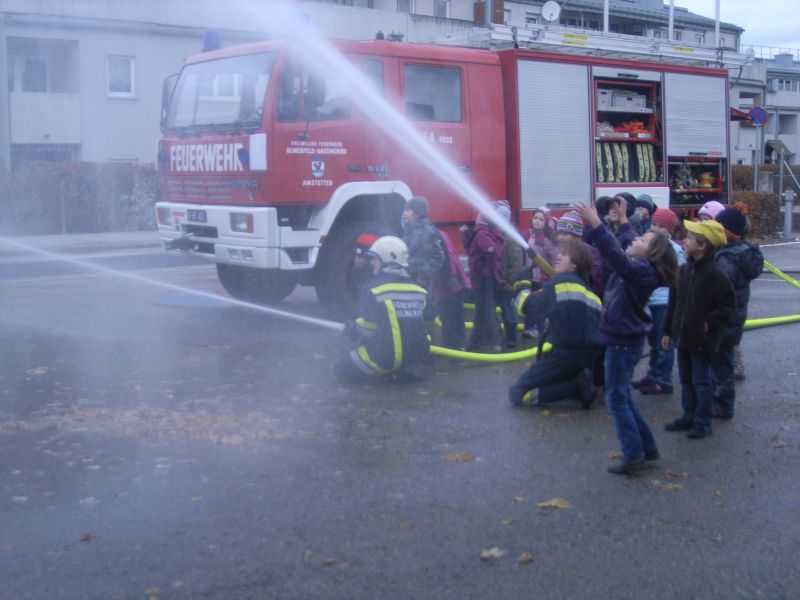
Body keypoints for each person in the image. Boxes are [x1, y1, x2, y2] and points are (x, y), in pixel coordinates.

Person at [575, 197, 679, 475]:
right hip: (622, 342)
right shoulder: (642, 267)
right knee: (623, 396)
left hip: (622, 345)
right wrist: (622, 223)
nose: (634, 241)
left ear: (649, 255)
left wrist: (596, 223)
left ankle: (633, 456)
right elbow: (627, 245)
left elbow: (617, 255)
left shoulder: (641, 272)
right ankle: (647, 447)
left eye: (641, 241)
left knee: (616, 399)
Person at [662, 220, 735, 439]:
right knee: (686, 379)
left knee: (702, 382)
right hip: (683, 337)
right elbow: (673, 303)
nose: (685, 240)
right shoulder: (683, 271)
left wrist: (709, 322)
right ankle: (689, 415)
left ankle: (703, 421)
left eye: (690, 237)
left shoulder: (716, 275)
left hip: (702, 340)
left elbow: (728, 306)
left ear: (702, 245)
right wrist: (667, 330)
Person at [508, 237, 601, 408]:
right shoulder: (592, 295)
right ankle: (579, 380)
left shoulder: (560, 284)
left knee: (517, 393)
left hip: (561, 358)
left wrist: (522, 284)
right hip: (585, 359)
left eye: (564, 254)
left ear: (575, 265)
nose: (558, 256)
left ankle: (575, 388)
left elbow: (527, 308)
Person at [335, 236, 431, 382]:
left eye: (376, 258)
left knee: (341, 367)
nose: (372, 262)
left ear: (387, 260)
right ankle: (401, 373)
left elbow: (368, 329)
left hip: (385, 358)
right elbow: (428, 320)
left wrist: (352, 329)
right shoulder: (419, 290)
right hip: (415, 359)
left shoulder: (373, 288)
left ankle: (386, 377)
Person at [711, 205, 764, 419]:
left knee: (721, 365)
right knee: (723, 361)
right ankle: (721, 401)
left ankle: (723, 405)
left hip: (723, 320)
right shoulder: (739, 253)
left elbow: (719, 288)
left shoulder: (727, 258)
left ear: (729, 232)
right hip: (732, 318)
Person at [633, 208, 686, 395]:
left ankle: (662, 379)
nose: (655, 228)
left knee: (663, 342)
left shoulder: (674, 250)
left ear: (669, 231)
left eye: (661, 226)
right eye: (654, 224)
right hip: (650, 300)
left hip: (664, 301)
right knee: (653, 340)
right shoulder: (649, 247)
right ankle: (653, 373)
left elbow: (677, 276)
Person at [460, 203, 506, 353]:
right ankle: (476, 342)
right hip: (486, 278)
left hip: (483, 279)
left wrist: (493, 275)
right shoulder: (487, 233)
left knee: (487, 310)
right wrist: (466, 236)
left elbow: (491, 255)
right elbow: (473, 252)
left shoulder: (482, 234)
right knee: (482, 311)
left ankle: (495, 342)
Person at [401, 196, 445, 322]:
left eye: (408, 210)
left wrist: (423, 275)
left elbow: (438, 256)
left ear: (418, 214)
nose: (404, 213)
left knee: (422, 314)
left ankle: (427, 337)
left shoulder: (427, 232)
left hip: (420, 282)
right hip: (410, 279)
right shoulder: (409, 230)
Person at [524, 208, 558, 338]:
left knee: (539, 304)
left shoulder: (549, 240)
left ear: (547, 222)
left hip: (542, 279)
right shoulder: (531, 235)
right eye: (535, 218)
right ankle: (530, 328)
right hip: (530, 277)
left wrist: (550, 276)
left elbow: (555, 259)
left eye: (541, 219)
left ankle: (539, 328)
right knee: (531, 302)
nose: (537, 221)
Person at [498, 201, 527, 349]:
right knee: (505, 311)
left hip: (509, 284)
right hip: (503, 282)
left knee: (509, 312)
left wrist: (510, 282)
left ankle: (511, 339)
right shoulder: (502, 234)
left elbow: (516, 263)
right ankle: (507, 336)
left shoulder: (511, 236)